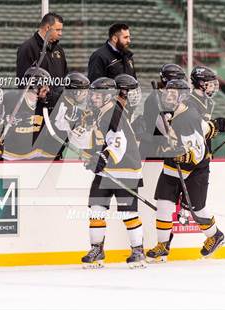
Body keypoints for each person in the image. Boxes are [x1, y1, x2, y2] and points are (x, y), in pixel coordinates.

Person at [146, 79, 225, 263]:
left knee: (196, 208)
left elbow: (197, 153)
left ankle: (215, 235)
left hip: (197, 168)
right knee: (164, 204)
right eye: (167, 92)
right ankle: (163, 245)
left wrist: (184, 156)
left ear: (181, 97)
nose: (168, 96)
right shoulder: (167, 112)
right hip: (173, 164)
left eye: (173, 94)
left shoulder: (188, 116)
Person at [81, 77, 146, 269]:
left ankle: (137, 250)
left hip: (126, 170)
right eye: (93, 95)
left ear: (108, 96)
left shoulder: (113, 112)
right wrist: (92, 157)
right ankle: (97, 248)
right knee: (96, 210)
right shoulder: (103, 112)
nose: (93, 98)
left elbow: (119, 143)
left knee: (128, 213)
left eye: (97, 95)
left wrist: (101, 158)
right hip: (108, 171)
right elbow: (104, 141)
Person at [1, 67, 54, 161]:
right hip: (10, 154)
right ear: (35, 85)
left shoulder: (46, 104)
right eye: (45, 85)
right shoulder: (10, 99)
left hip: (35, 154)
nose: (48, 89)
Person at [16, 12, 67, 108]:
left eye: (61, 30)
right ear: (47, 28)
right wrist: (39, 94)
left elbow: (64, 77)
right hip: (37, 109)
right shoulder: (28, 48)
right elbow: (22, 82)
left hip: (56, 108)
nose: (61, 33)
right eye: (58, 30)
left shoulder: (58, 49)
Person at [136, 63, 186, 159]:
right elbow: (159, 128)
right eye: (179, 79)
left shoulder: (171, 97)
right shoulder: (155, 98)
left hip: (164, 145)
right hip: (153, 148)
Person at [53, 71, 95, 154]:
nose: (86, 95)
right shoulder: (65, 107)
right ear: (75, 92)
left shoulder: (63, 101)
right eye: (84, 92)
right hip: (54, 152)